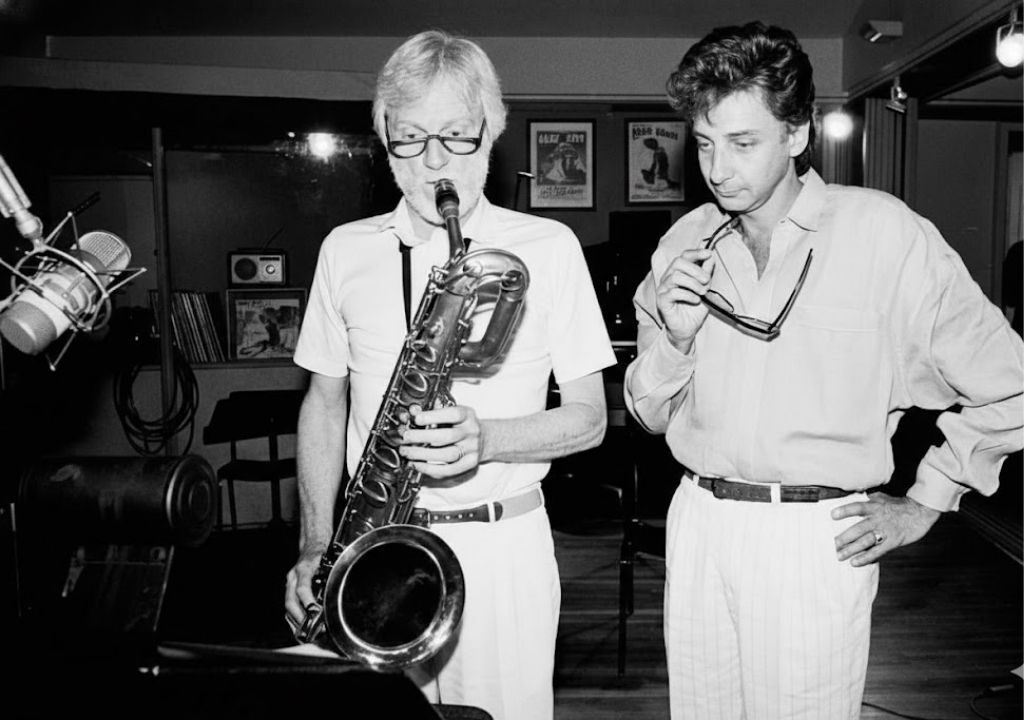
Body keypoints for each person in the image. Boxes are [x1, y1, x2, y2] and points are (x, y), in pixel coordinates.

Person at [623, 21, 1023, 720]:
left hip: (813, 535)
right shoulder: (683, 242)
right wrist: (676, 342)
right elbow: (646, 412)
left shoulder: (885, 236)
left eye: (743, 142)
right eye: (706, 143)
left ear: (797, 133)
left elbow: (1012, 383)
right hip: (699, 521)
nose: (719, 169)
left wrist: (928, 499)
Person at [283, 30, 615, 720]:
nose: (434, 161)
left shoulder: (550, 249)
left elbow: (589, 419)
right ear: (384, 138)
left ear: (491, 132)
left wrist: (487, 439)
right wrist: (315, 544)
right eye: (410, 138)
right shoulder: (344, 251)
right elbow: (323, 404)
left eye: (457, 136)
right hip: (370, 547)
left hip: (500, 550)